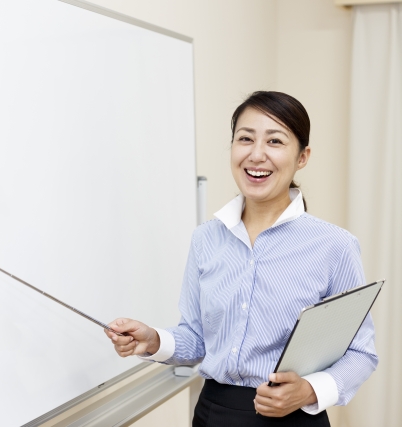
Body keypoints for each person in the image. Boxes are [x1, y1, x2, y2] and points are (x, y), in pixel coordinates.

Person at [105, 91, 378, 426]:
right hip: (212, 414)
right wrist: (154, 340)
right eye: (245, 138)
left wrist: (308, 390)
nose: (256, 154)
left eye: (275, 141)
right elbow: (197, 338)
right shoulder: (206, 238)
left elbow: (361, 353)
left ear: (302, 157)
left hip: (292, 419)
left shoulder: (335, 246)